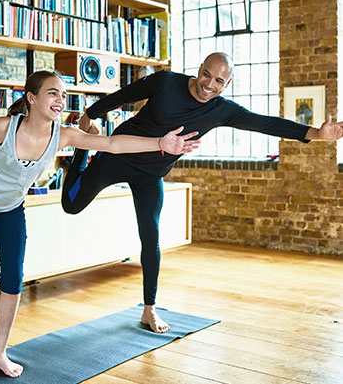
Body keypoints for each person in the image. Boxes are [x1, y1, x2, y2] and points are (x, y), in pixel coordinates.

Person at [0, 70, 199, 378]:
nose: (60, 99)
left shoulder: (63, 135)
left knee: (13, 280)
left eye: (63, 94)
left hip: (9, 209)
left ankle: (0, 353)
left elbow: (113, 143)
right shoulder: (3, 128)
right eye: (53, 93)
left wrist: (160, 143)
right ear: (32, 98)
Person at [61, 52, 343, 334]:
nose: (209, 84)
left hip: (150, 174)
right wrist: (89, 115)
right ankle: (82, 147)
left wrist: (316, 134)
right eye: (206, 74)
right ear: (199, 69)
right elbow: (125, 94)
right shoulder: (166, 82)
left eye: (219, 80)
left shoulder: (220, 110)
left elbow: (264, 123)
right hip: (119, 154)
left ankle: (149, 309)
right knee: (71, 205)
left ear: (226, 84)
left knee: (151, 237)